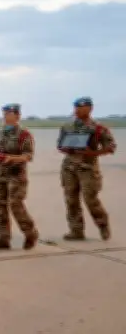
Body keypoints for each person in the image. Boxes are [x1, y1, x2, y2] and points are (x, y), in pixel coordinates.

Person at [57, 97, 117, 241]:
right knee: (71, 200)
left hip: (88, 169)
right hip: (69, 168)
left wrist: (93, 153)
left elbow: (111, 147)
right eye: (76, 107)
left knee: (90, 199)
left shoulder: (98, 128)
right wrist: (66, 148)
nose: (77, 110)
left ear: (90, 108)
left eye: (81, 107)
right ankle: (76, 231)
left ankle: (103, 225)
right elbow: (59, 145)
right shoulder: (67, 126)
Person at [0, 103, 39, 250]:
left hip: (16, 175)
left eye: (9, 114)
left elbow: (28, 156)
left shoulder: (24, 135)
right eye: (4, 114)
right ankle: (3, 238)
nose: (6, 117)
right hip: (0, 174)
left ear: (17, 116)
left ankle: (30, 233)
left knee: (16, 205)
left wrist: (12, 158)